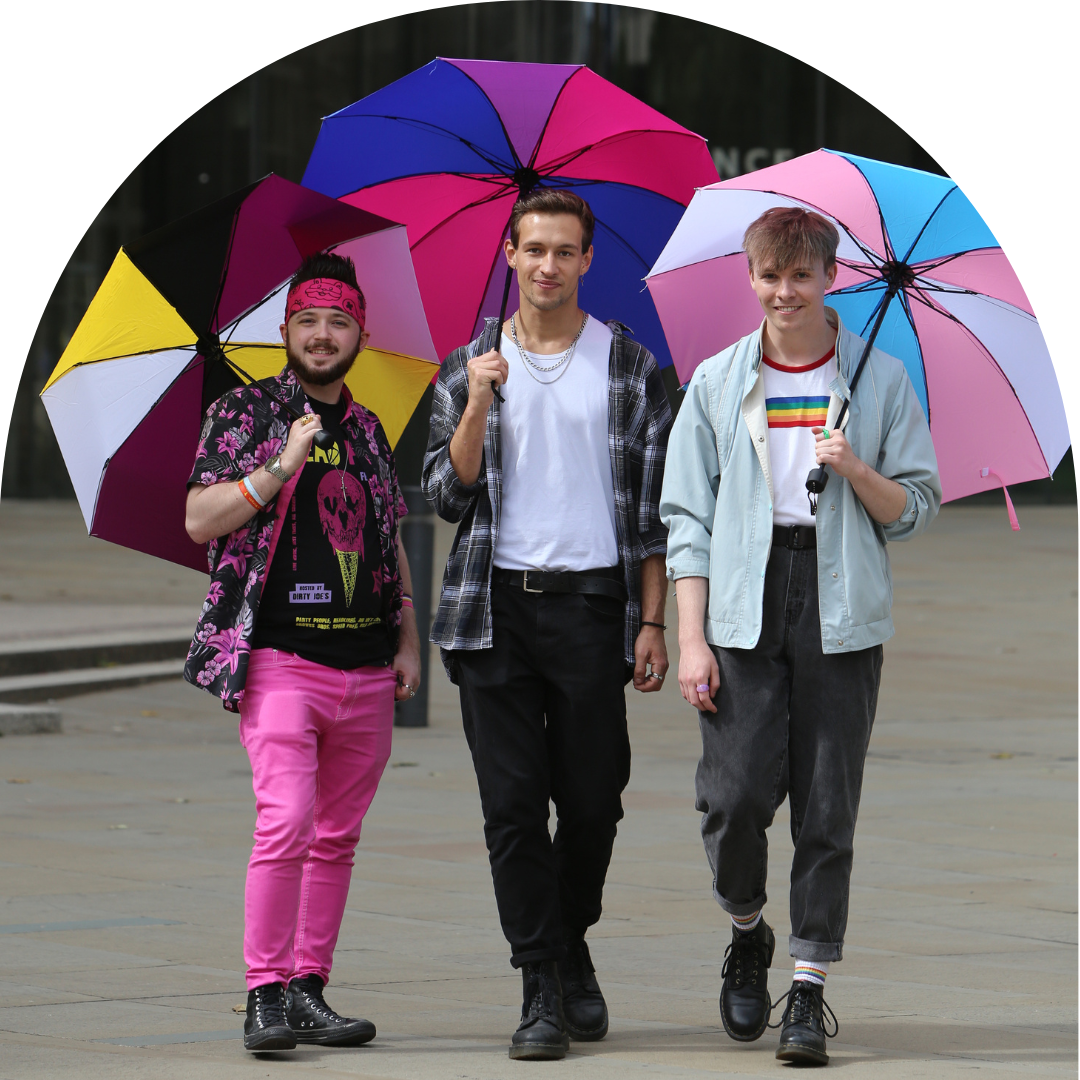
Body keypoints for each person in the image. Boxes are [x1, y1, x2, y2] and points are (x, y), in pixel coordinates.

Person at [659, 207, 941, 1066]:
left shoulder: (881, 379)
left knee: (827, 804)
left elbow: (915, 508)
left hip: (839, 600)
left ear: (830, 280)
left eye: (802, 277)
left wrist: (856, 467)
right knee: (734, 798)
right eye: (769, 276)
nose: (785, 292)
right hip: (745, 597)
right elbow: (685, 517)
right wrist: (691, 638)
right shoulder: (716, 380)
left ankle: (808, 990)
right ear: (750, 278)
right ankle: (749, 928)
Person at [422, 189, 672, 1060]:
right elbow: (446, 496)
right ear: (509, 253)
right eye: (533, 249)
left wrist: (653, 621)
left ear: (587, 260)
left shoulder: (629, 367)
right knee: (514, 810)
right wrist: (481, 401)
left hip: (595, 608)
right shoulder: (468, 366)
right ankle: (541, 983)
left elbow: (653, 512)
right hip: (492, 610)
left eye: (564, 251)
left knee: (595, 802)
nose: (548, 266)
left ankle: (569, 941)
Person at [183, 252, 421, 1052]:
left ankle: (307, 988)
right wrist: (278, 467)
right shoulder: (245, 414)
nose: (323, 336)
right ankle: (262, 994)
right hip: (281, 659)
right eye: (309, 321)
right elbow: (199, 520)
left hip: (365, 667)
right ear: (286, 330)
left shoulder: (369, 428)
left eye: (339, 322)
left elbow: (387, 537)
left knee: (338, 836)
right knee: (285, 822)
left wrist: (408, 639)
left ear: (359, 332)